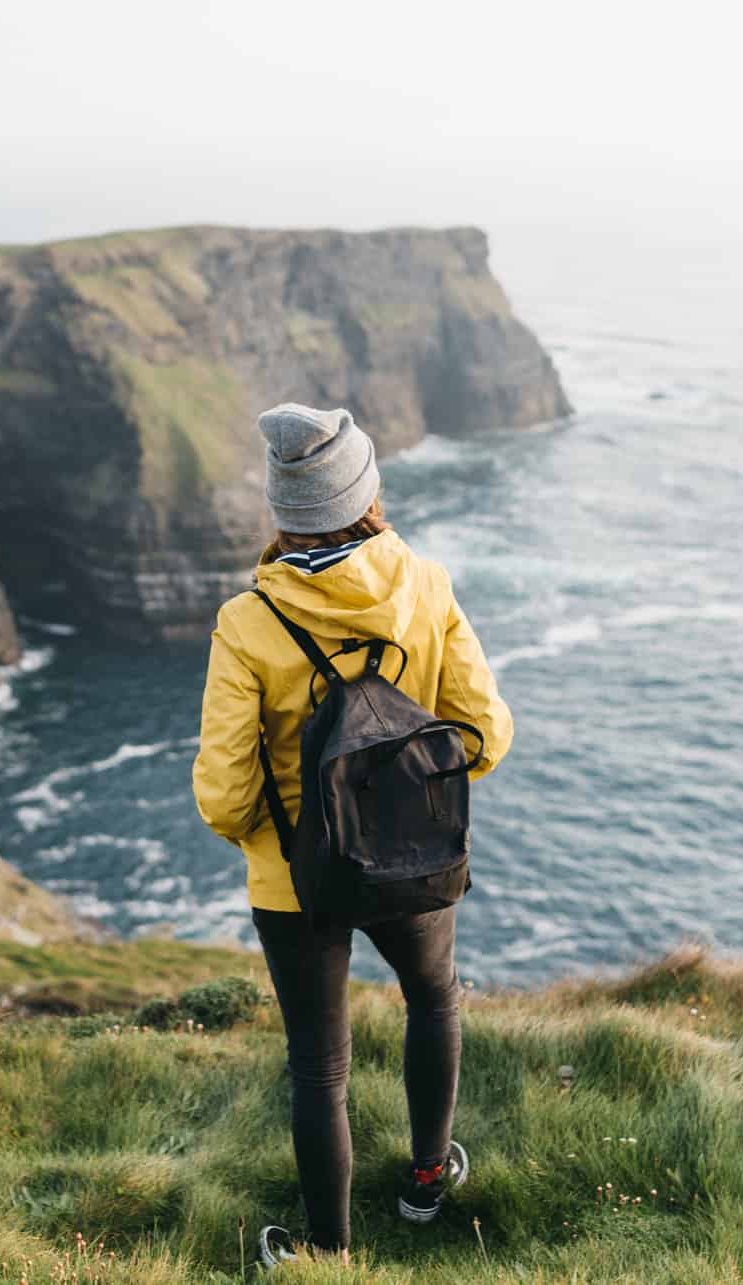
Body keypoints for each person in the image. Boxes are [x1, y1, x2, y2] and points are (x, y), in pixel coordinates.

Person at [192, 403, 514, 1267]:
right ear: (366, 490)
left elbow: (224, 794)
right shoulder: (425, 582)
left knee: (320, 1070)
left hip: (296, 879)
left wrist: (288, 838)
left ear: (281, 509)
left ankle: (330, 1258)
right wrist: (403, 801)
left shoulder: (248, 622)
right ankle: (424, 1181)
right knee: (435, 996)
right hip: (411, 855)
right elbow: (485, 733)